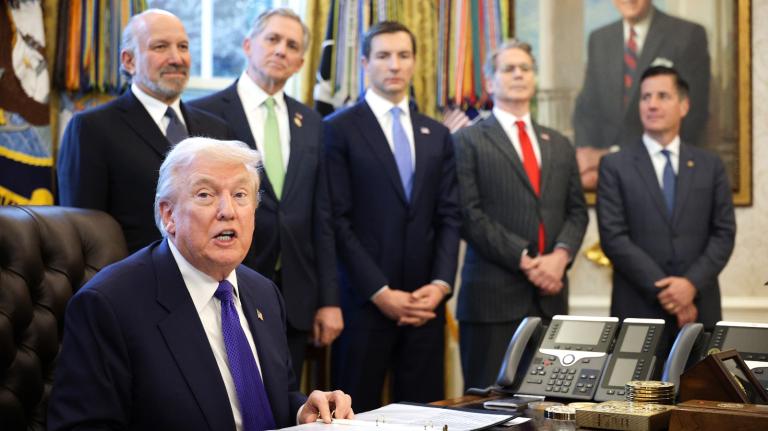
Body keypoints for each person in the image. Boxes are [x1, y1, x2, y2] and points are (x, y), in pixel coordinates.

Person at [48, 137, 353, 430]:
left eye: (240, 195)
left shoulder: (264, 293)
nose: (228, 211)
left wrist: (303, 410)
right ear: (168, 214)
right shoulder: (109, 305)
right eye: (205, 195)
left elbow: (266, 403)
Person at [189, 8, 342, 381]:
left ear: (301, 62)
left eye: (291, 45)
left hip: (296, 295)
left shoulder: (312, 123)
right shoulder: (203, 114)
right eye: (272, 39)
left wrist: (329, 300)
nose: (281, 50)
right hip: (223, 284)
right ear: (248, 45)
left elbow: (321, 216)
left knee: (282, 398)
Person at [323, 21, 461, 411]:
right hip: (365, 305)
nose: (394, 65)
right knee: (357, 414)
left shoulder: (437, 134)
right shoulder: (338, 129)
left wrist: (439, 285)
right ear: (365, 62)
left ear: (415, 62)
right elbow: (337, 220)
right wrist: (380, 293)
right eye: (383, 55)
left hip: (425, 307)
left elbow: (450, 216)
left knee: (427, 415)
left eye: (403, 55)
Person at [453, 40, 588, 390]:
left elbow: (577, 211)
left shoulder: (558, 142)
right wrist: (527, 261)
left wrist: (560, 257)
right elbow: (470, 214)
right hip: (491, 303)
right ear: (490, 82)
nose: (518, 74)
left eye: (525, 68)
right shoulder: (467, 140)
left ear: (534, 78)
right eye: (508, 68)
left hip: (551, 300)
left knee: (548, 408)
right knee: (487, 409)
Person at [56, 9, 230, 252]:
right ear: (129, 61)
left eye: (183, 47)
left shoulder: (216, 129)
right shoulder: (92, 129)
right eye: (160, 47)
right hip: (129, 282)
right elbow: (82, 234)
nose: (176, 58)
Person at [597, 66, 735, 356]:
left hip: (699, 309)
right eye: (646, 97)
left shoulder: (710, 166)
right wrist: (668, 291)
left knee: (700, 400)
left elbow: (723, 234)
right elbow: (614, 237)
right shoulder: (615, 166)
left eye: (662, 96)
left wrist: (690, 285)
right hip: (638, 310)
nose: (652, 104)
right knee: (634, 400)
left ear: (683, 105)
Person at [573, 0, 710, 189]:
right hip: (606, 179)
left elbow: (695, 114)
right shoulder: (599, 39)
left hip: (664, 176)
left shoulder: (687, 35)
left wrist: (613, 154)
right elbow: (586, 110)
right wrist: (586, 157)